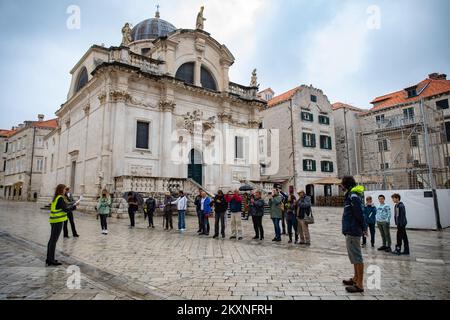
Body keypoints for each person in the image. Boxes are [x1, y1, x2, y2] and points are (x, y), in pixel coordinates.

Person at [341, 176, 367, 293]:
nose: (341, 185)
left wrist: (363, 227)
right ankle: (356, 278)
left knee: (356, 256)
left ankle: (360, 284)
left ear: (347, 184)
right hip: (350, 229)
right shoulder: (350, 195)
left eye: (342, 183)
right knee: (353, 256)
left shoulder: (353, 196)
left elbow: (359, 213)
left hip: (353, 229)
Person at [46, 184, 76, 266]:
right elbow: (66, 209)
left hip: (54, 221)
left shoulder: (56, 198)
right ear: (61, 190)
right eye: (64, 189)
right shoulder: (60, 198)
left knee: (51, 240)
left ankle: (49, 258)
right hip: (57, 221)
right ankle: (51, 260)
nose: (65, 191)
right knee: (53, 241)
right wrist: (74, 207)